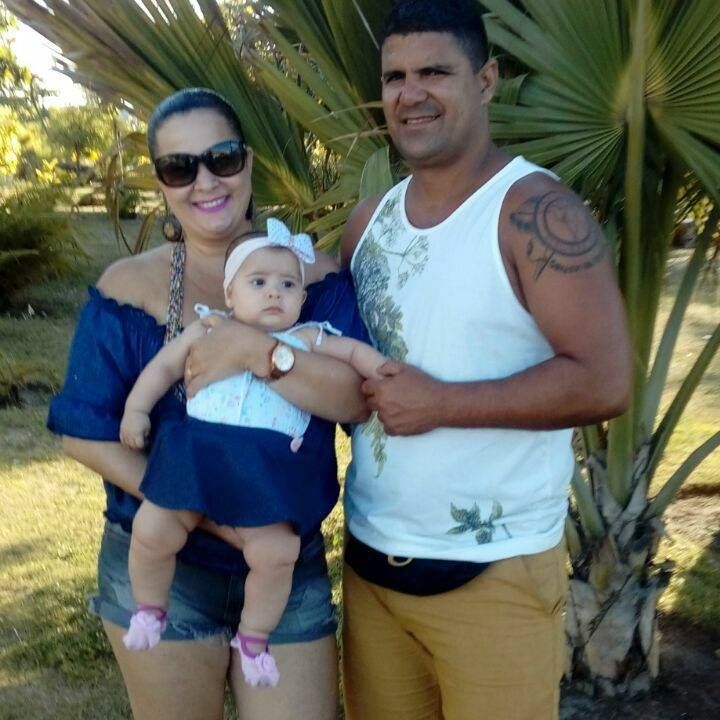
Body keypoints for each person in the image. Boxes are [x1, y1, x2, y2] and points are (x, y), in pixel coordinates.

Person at [339, 2, 633, 719]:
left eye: (435, 72)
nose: (411, 94)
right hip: (371, 564)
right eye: (395, 77)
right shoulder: (367, 222)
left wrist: (442, 404)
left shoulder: (534, 212)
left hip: (494, 575)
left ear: (487, 79)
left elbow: (605, 380)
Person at [48, 87, 368, 720]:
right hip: (165, 563)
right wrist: (204, 508)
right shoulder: (128, 288)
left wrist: (256, 351)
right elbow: (84, 431)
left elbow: (355, 400)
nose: (205, 181)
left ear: (246, 160)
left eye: (220, 158)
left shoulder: (313, 279)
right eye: (179, 167)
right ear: (161, 182)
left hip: (283, 561)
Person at [119, 219, 385, 688]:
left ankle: (254, 637)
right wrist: (137, 410)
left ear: (302, 297)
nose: (274, 292)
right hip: (199, 458)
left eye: (288, 285)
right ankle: (149, 608)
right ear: (230, 292)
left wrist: (381, 369)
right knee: (152, 528)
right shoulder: (209, 327)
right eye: (258, 282)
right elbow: (163, 367)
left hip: (265, 472)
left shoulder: (309, 337)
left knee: (278, 552)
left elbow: (353, 354)